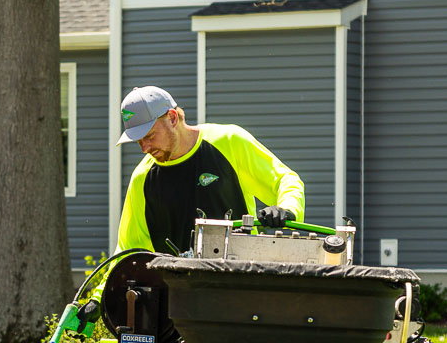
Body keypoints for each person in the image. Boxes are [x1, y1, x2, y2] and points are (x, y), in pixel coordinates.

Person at [115, 85, 305, 255]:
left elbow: (285, 179)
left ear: (172, 118)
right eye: (139, 141)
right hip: (178, 290)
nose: (145, 148)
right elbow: (127, 248)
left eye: (150, 136)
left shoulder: (229, 142)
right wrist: (99, 294)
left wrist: (287, 208)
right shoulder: (142, 177)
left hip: (242, 281)